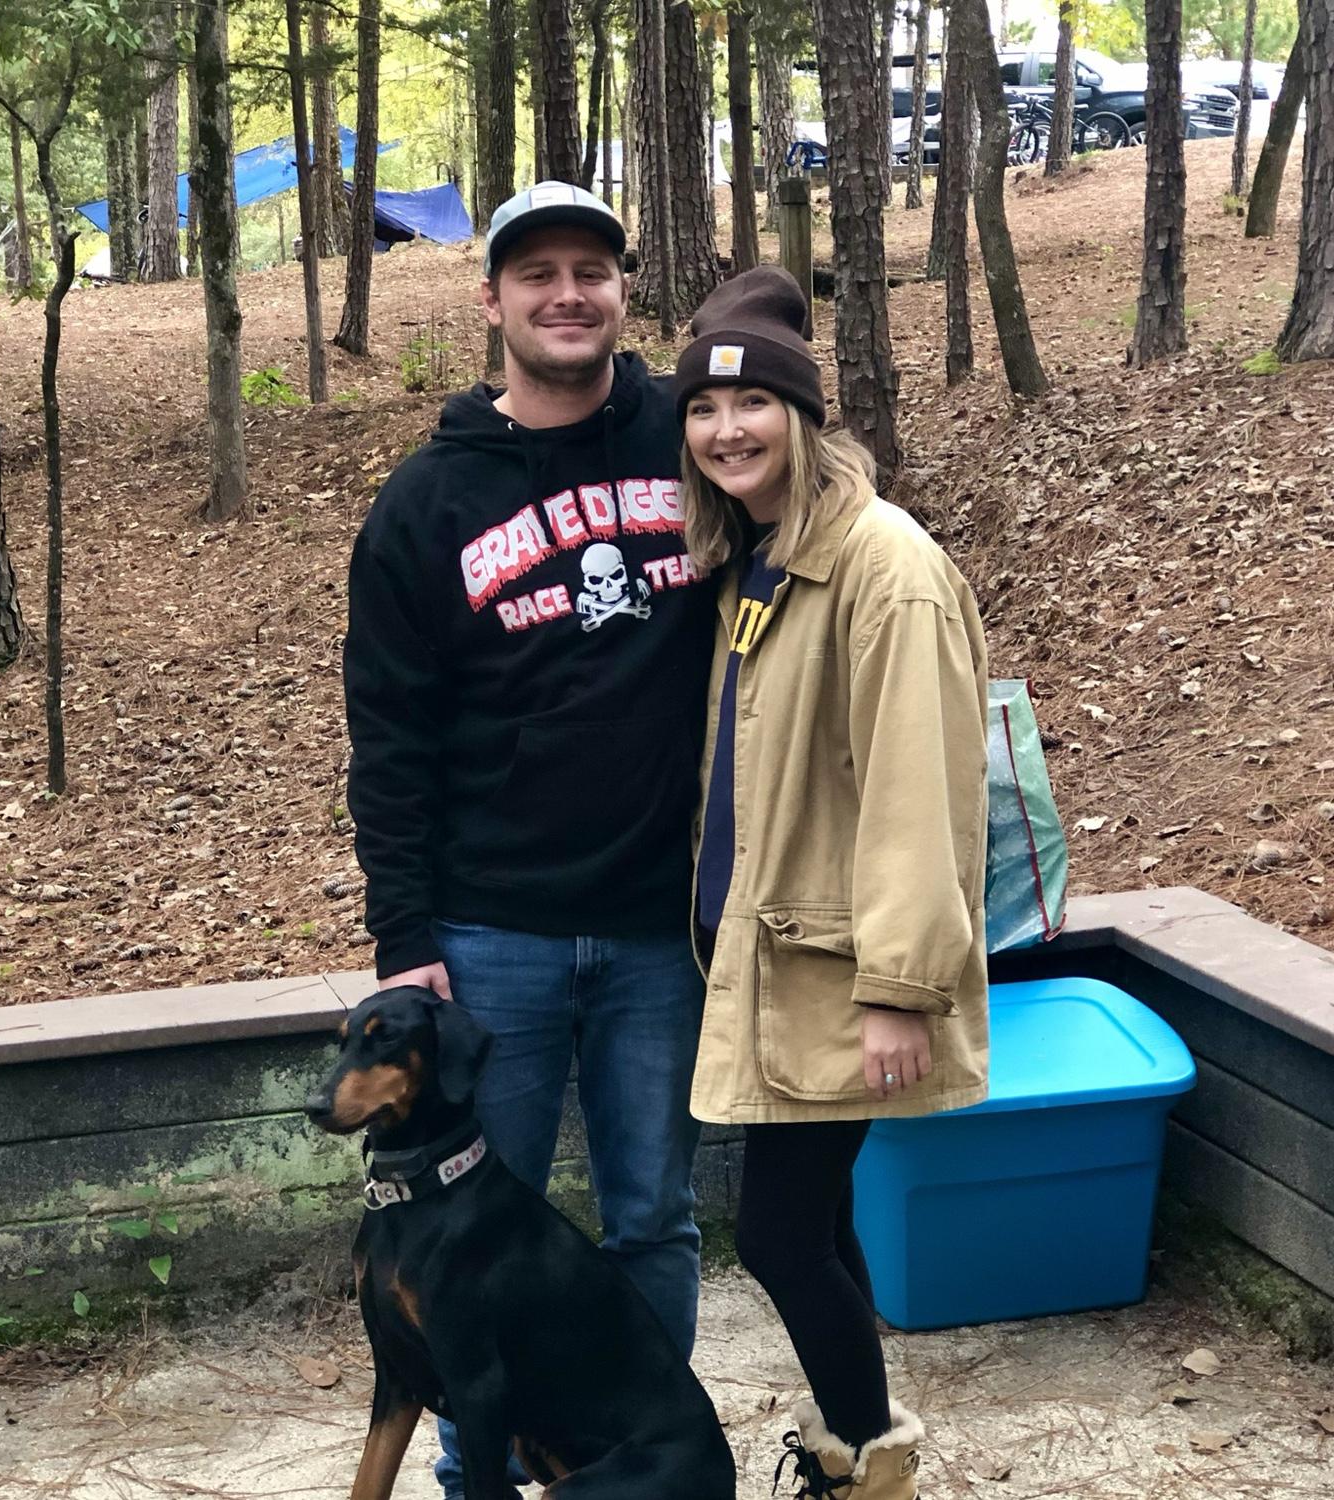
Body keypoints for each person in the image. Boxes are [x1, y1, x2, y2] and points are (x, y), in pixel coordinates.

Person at [342, 182, 716, 1500]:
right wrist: (406, 936)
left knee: (654, 1217)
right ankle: (478, 1484)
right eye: (538, 273)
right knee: (466, 1244)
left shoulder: (693, 439)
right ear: (491, 299)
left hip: (659, 927)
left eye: (591, 270)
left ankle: (639, 1468)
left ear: (624, 289)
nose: (569, 294)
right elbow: (388, 737)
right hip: (488, 935)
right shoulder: (427, 502)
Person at [674, 266, 991, 1500]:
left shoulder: (883, 565)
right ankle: (856, 1451)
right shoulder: (760, 557)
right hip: (773, 955)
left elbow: (921, 792)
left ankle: (870, 1467)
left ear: (805, 417)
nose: (727, 431)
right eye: (704, 410)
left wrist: (899, 988)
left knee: (777, 1235)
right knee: (821, 1224)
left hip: (838, 968)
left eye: (753, 405)